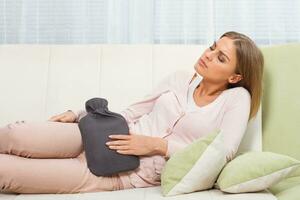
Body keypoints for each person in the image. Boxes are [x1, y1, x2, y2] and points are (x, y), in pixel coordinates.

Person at [0, 31, 264, 194]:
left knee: (6, 171)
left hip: (122, 172)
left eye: (221, 58)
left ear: (235, 76)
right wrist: (78, 113)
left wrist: (158, 146)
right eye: (213, 47)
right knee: (16, 134)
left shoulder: (237, 99)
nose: (209, 55)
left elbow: (223, 153)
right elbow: (131, 112)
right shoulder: (179, 78)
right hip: (103, 134)